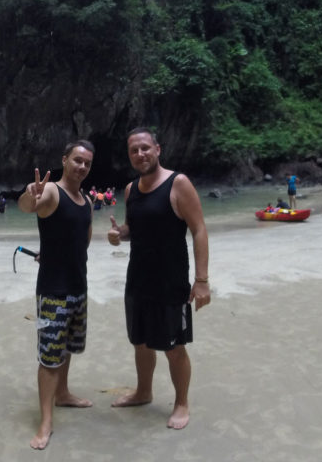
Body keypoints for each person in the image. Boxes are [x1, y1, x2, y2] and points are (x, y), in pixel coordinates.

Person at [107, 127, 210, 430]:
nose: (140, 154)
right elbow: (133, 228)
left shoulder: (178, 184)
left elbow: (199, 230)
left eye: (145, 148)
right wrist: (119, 234)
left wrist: (202, 280)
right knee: (140, 342)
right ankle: (143, 392)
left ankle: (181, 403)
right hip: (137, 279)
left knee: (173, 346)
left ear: (157, 149)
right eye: (133, 151)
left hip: (171, 281)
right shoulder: (130, 190)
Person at [17, 140, 96, 450]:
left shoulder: (87, 202)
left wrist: (52, 252)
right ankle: (46, 420)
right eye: (77, 160)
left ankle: (63, 394)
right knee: (50, 358)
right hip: (53, 291)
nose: (81, 166)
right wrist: (29, 196)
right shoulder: (51, 192)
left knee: (66, 349)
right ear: (65, 160)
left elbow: (82, 244)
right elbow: (28, 206)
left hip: (79, 287)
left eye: (87, 163)